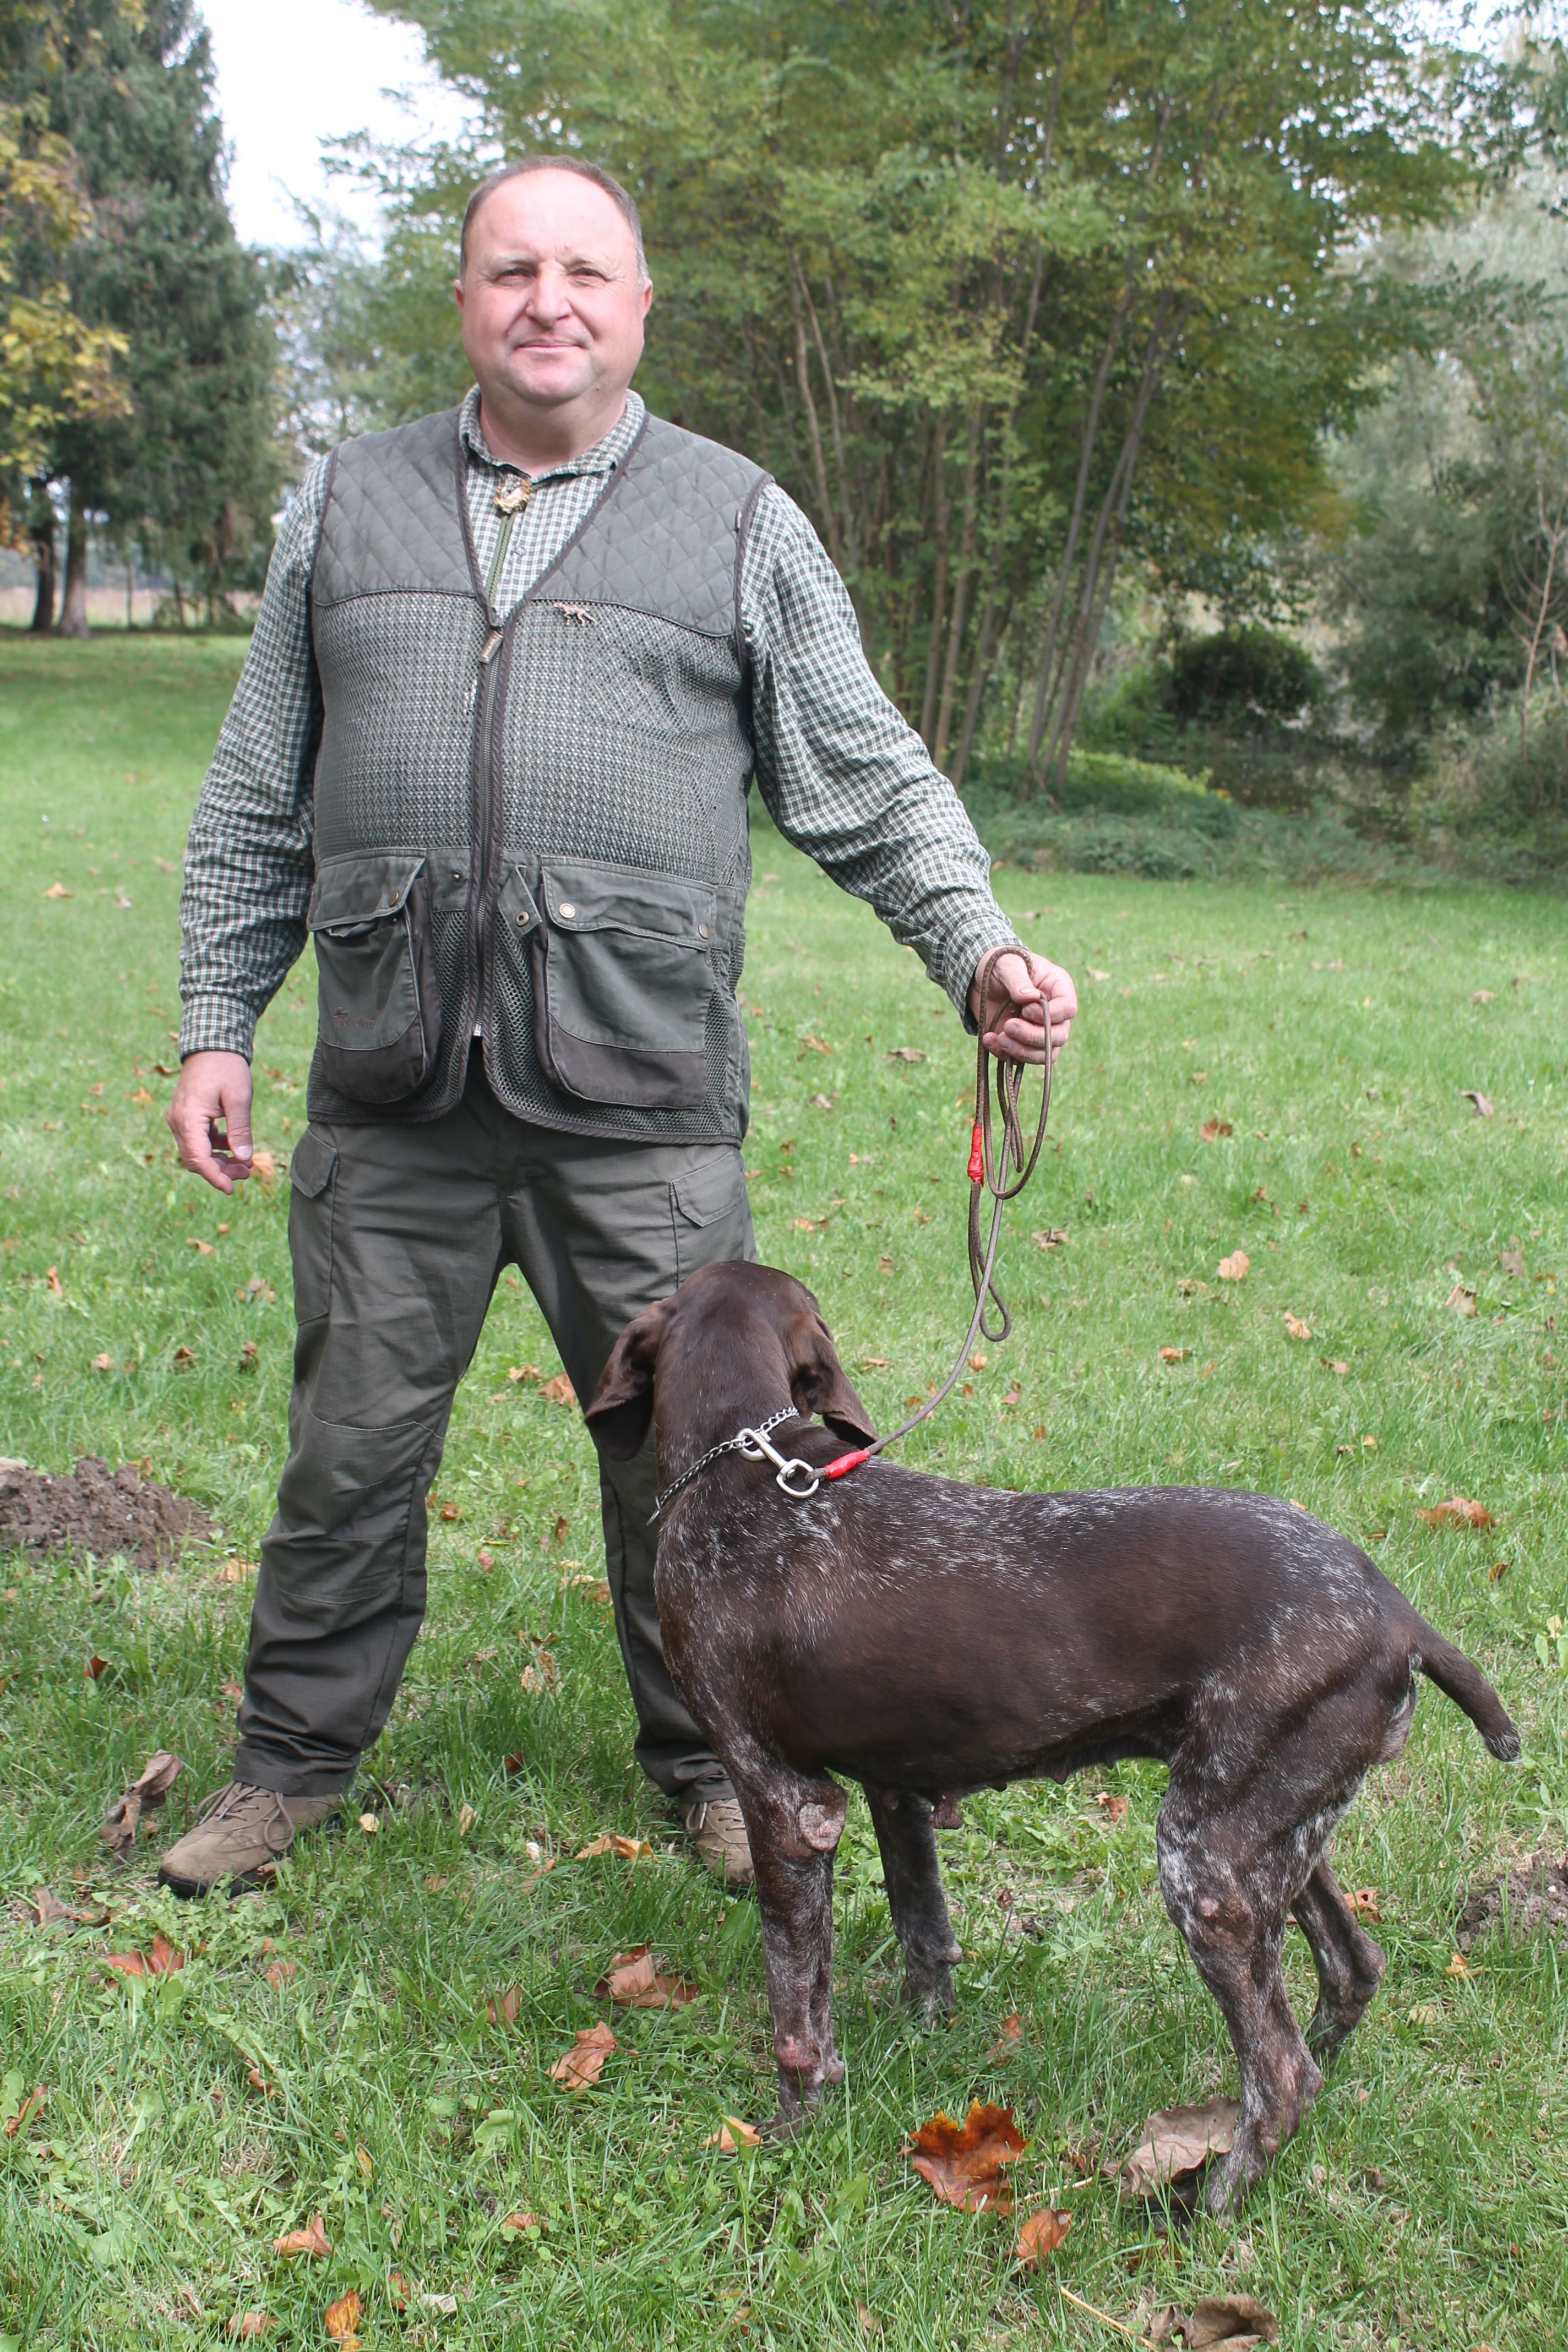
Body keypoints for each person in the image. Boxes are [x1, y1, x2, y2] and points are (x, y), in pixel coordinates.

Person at [159, 156, 1077, 1899]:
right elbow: (253, 795)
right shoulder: (345, 505)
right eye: (512, 269)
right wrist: (221, 1017)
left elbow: (865, 778)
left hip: (640, 1099)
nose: (548, 300)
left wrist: (980, 951)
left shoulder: (736, 518)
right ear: (466, 302)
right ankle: (287, 1768)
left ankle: (728, 1765)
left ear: (642, 306)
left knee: (710, 1478)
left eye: (586, 270)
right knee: (349, 1455)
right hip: (396, 1096)